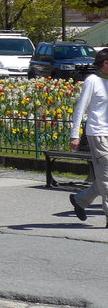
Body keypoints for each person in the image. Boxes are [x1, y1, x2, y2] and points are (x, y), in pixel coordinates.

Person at [67, 48, 108, 227]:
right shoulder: (92, 80)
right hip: (98, 133)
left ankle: (81, 200)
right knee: (106, 177)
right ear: (103, 64)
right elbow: (80, 108)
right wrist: (74, 135)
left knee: (103, 176)